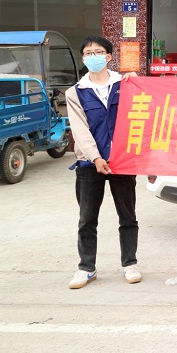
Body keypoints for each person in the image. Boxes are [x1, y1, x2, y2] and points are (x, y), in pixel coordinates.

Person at [65, 35, 140, 289]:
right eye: (88, 53)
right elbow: (80, 130)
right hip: (89, 164)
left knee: (128, 216)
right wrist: (95, 157)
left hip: (122, 161)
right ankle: (86, 267)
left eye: (98, 52)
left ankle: (130, 263)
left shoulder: (125, 84)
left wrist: (139, 83)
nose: (93, 57)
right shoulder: (75, 92)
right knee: (87, 218)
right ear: (83, 59)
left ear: (109, 57)